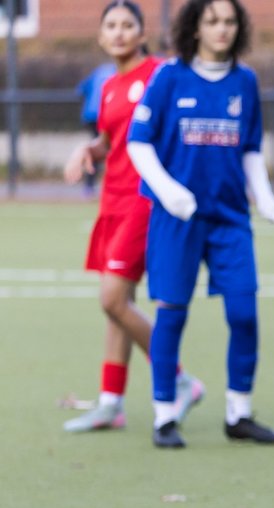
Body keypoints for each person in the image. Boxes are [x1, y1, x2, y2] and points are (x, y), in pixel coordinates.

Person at [127, 0, 274, 449]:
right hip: (176, 218)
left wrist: (265, 194)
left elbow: (250, 148)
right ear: (195, 27)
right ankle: (163, 415)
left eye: (230, 21)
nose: (222, 29)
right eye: (212, 20)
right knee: (171, 313)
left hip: (230, 217)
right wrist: (168, 190)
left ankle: (239, 413)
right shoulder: (169, 77)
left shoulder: (245, 81)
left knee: (243, 312)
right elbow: (139, 143)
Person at [62, 0, 204, 434]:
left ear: (142, 34)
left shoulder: (161, 75)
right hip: (112, 202)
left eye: (128, 25)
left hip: (145, 202)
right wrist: (89, 149)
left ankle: (179, 379)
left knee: (112, 299)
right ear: (102, 37)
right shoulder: (107, 85)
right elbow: (111, 139)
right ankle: (111, 402)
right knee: (118, 304)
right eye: (112, 26)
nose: (120, 32)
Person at [76, 61, 115, 195]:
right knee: (107, 148)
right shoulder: (119, 72)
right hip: (105, 115)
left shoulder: (99, 70)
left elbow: (80, 90)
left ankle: (89, 186)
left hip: (90, 115)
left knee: (100, 148)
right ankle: (100, 185)